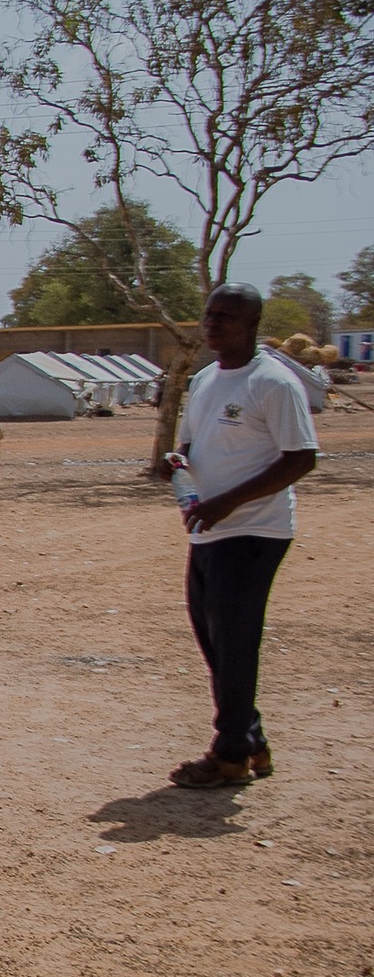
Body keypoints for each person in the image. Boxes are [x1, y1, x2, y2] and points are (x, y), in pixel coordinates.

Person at [166, 282, 319, 789]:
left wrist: (228, 502)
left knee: (234, 642)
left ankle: (229, 755)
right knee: (215, 641)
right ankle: (250, 738)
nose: (212, 324)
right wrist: (182, 464)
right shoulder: (207, 378)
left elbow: (300, 458)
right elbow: (190, 440)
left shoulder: (272, 383)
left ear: (251, 324)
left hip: (254, 530)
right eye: (209, 315)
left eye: (226, 317)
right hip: (208, 529)